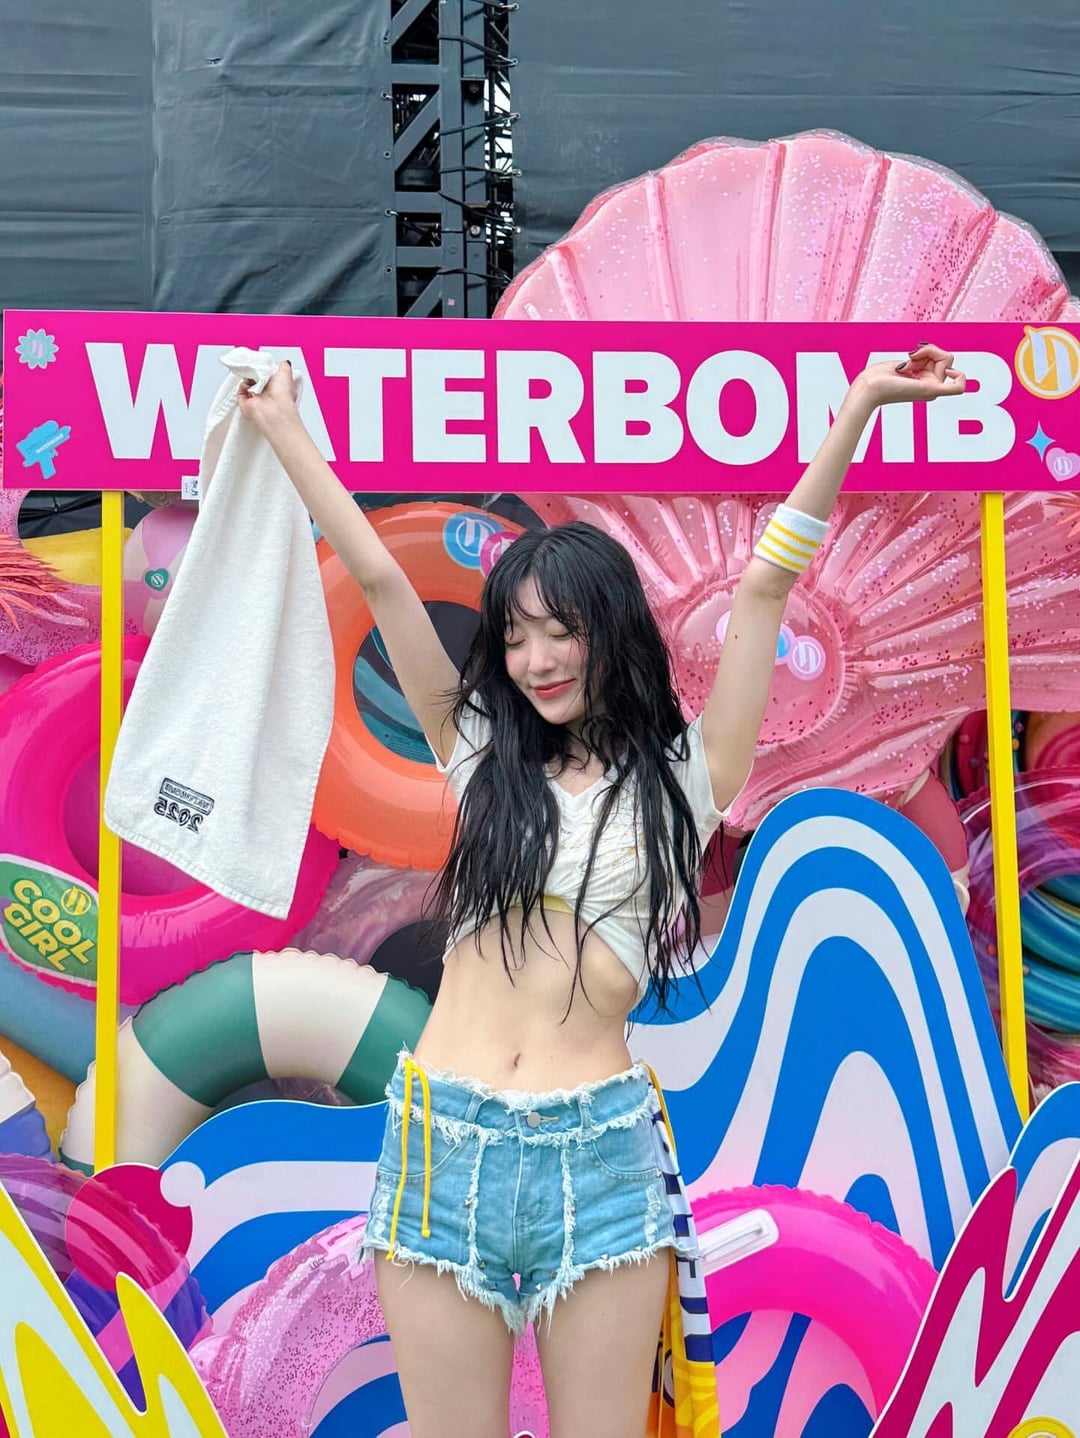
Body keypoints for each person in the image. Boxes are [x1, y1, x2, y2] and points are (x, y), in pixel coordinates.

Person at [239, 342, 965, 1438]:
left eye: (560, 630)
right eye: (515, 635)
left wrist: (860, 404)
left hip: (601, 1159)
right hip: (443, 1146)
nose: (536, 658)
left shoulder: (684, 782)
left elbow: (767, 583)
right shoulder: (479, 756)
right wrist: (284, 426)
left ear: (609, 632)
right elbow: (382, 578)